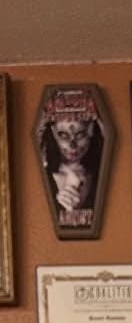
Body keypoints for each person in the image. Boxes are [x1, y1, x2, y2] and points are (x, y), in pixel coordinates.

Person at [36, 91, 106, 231]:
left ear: (91, 130)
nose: (72, 145)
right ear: (54, 133)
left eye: (80, 135)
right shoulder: (41, 173)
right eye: (63, 135)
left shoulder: (102, 171)